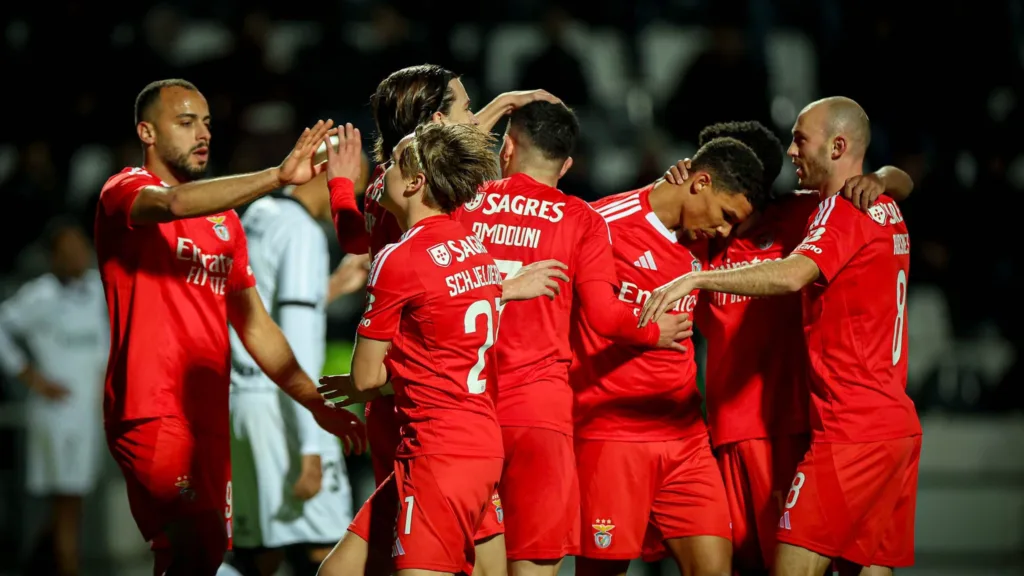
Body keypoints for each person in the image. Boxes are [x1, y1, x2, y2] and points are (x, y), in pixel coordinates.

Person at [94, 78, 364, 576]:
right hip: (152, 409)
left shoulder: (226, 225)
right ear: (147, 132)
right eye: (185, 121)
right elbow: (174, 204)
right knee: (196, 537)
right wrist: (278, 176)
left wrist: (314, 404)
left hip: (212, 416)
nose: (202, 133)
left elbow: (257, 326)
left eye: (207, 123)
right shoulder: (124, 192)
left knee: (198, 556)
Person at [640, 97, 920, 576]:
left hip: (797, 427)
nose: (793, 152)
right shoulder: (702, 233)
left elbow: (795, 272)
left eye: (799, 139)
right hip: (728, 430)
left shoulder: (808, 215)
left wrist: (881, 175)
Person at [311, 64, 567, 575]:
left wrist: (341, 186)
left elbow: (360, 243)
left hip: (420, 421)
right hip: (461, 419)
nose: (474, 116)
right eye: (468, 108)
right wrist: (505, 287)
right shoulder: (464, 228)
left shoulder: (397, 229)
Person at [452, 101, 693, 576]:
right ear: (566, 165)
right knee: (534, 562)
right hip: (539, 413)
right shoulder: (580, 218)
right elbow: (604, 317)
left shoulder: (465, 202)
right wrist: (652, 330)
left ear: (508, 147)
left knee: (467, 560)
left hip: (468, 407)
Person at [571, 137, 768, 576]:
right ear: (699, 182)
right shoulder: (602, 223)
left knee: (716, 568)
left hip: (684, 437)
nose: (723, 232)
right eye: (725, 217)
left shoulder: (703, 241)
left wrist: (884, 177)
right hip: (611, 432)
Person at [318, 123, 506, 576]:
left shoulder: (399, 258)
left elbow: (365, 377)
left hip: (436, 453)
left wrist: (370, 382)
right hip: (476, 444)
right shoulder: (474, 247)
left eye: (394, 161)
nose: (381, 171)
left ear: (416, 180)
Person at [223, 177, 357, 576]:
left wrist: (326, 290)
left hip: (242, 398)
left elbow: (258, 311)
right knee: (329, 546)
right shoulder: (303, 230)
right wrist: (311, 447)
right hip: (282, 408)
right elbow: (298, 343)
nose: (349, 205)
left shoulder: (258, 214)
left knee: (258, 550)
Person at [0, 219, 107, 576]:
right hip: (56, 415)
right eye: (69, 250)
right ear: (54, 257)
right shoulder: (40, 294)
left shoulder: (96, 288)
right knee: (67, 504)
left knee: (71, 505)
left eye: (81, 247)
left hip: (87, 415)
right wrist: (31, 377)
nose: (78, 255)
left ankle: (38, 565)